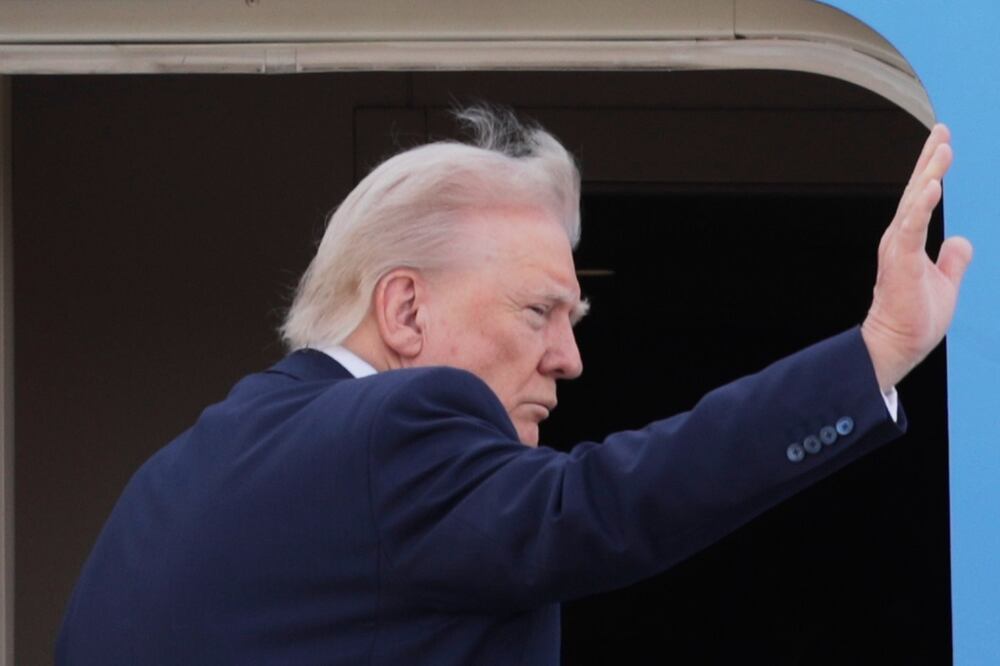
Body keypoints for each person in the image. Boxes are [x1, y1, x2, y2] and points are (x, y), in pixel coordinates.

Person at [56, 108, 972, 665]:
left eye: (574, 321)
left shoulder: (181, 469)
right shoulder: (399, 426)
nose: (569, 360)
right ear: (405, 312)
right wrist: (878, 349)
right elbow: (606, 505)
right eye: (540, 313)